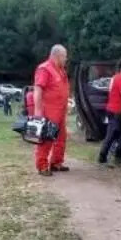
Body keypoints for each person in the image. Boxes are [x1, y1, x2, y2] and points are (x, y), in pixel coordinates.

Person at [32, 44, 70, 176]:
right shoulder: (45, 69)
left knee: (61, 137)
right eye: (65, 56)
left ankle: (56, 163)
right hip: (49, 111)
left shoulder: (61, 70)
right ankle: (42, 166)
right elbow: (38, 90)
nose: (66, 59)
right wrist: (37, 112)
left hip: (60, 111)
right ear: (57, 56)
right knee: (47, 138)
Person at [98, 55, 121, 166]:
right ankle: (103, 157)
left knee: (120, 135)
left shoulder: (116, 78)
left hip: (113, 110)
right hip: (117, 111)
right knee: (113, 135)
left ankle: (115, 157)